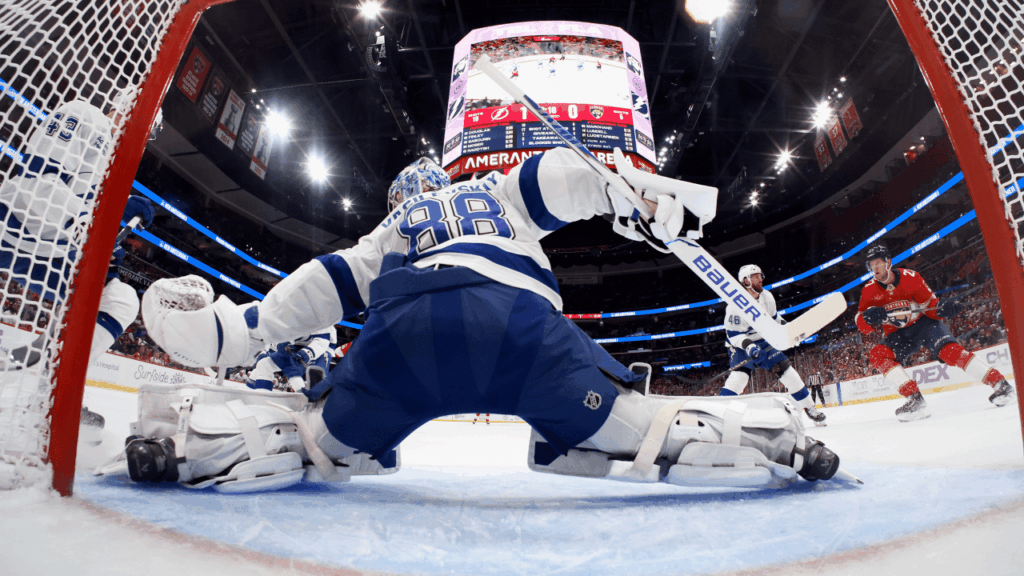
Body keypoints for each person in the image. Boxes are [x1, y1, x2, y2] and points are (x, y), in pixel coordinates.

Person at [133, 147, 843, 491]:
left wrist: (237, 330)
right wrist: (632, 196)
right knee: (648, 432)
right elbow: (560, 179)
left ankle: (191, 448)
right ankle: (780, 441)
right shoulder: (495, 191)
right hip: (521, 334)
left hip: (406, 340)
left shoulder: (392, 229)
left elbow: (323, 286)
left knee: (316, 444)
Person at [0, 96, 157, 440]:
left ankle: (52, 391)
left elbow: (84, 211)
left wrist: (111, 227)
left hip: (50, 247)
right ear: (128, 109)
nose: (147, 138)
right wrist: (100, 222)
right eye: (149, 128)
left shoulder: (114, 159)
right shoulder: (85, 116)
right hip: (17, 231)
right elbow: (38, 185)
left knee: (119, 298)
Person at [856, 245, 1015, 421]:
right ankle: (914, 399)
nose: (875, 268)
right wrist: (867, 318)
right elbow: (862, 324)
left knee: (950, 352)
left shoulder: (911, 277)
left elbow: (931, 306)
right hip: (897, 335)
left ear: (889, 262)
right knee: (877, 355)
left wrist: (942, 309)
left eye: (878, 263)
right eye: (872, 265)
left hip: (923, 325)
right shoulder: (868, 290)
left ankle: (1000, 384)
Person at [719, 264, 827, 427]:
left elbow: (774, 319)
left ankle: (810, 408)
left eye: (760, 276)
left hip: (763, 340)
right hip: (741, 344)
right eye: (755, 276)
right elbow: (734, 335)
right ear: (745, 281)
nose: (760, 279)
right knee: (739, 378)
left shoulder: (767, 297)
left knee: (788, 373)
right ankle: (720, 413)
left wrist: (789, 329)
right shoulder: (735, 305)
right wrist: (750, 347)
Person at [246, 330, 336, 392]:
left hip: (315, 351)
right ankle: (263, 393)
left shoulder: (321, 318)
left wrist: (307, 353)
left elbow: (322, 340)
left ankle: (302, 396)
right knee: (264, 364)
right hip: (293, 348)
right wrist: (280, 343)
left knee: (294, 374)